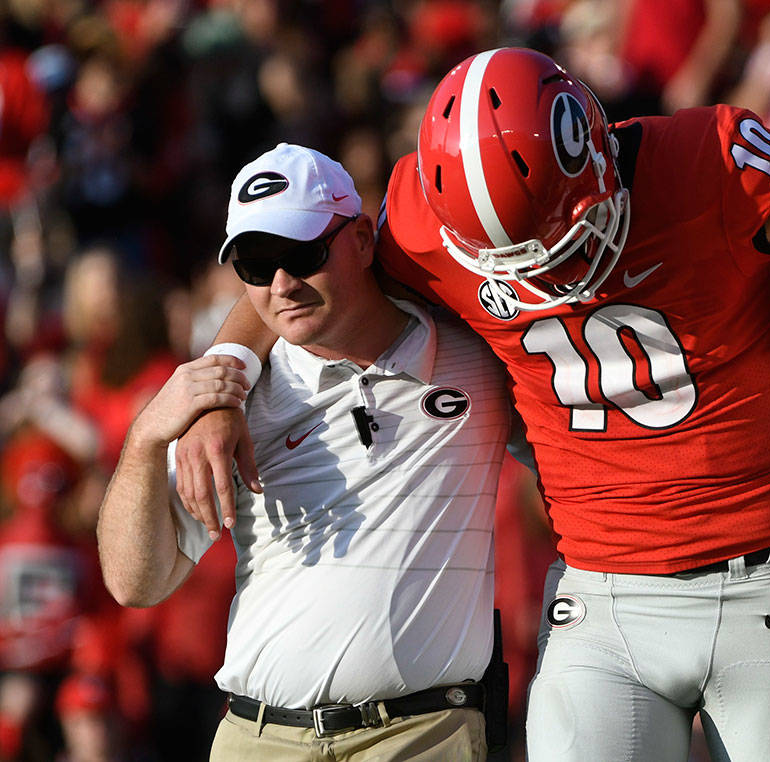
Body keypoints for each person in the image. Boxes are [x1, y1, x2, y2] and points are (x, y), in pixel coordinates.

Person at [176, 48, 770, 762]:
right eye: (511, 263)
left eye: (556, 248)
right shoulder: (423, 219)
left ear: (598, 161)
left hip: (765, 578)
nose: (542, 282)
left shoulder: (707, 164)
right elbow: (287, 270)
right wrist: (224, 376)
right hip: (599, 592)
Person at [96, 144, 512, 761]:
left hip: (422, 736)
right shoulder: (231, 400)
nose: (283, 285)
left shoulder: (478, 359)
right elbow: (135, 582)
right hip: (257, 737)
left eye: (303, 254)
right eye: (256, 266)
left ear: (365, 239)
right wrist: (146, 437)